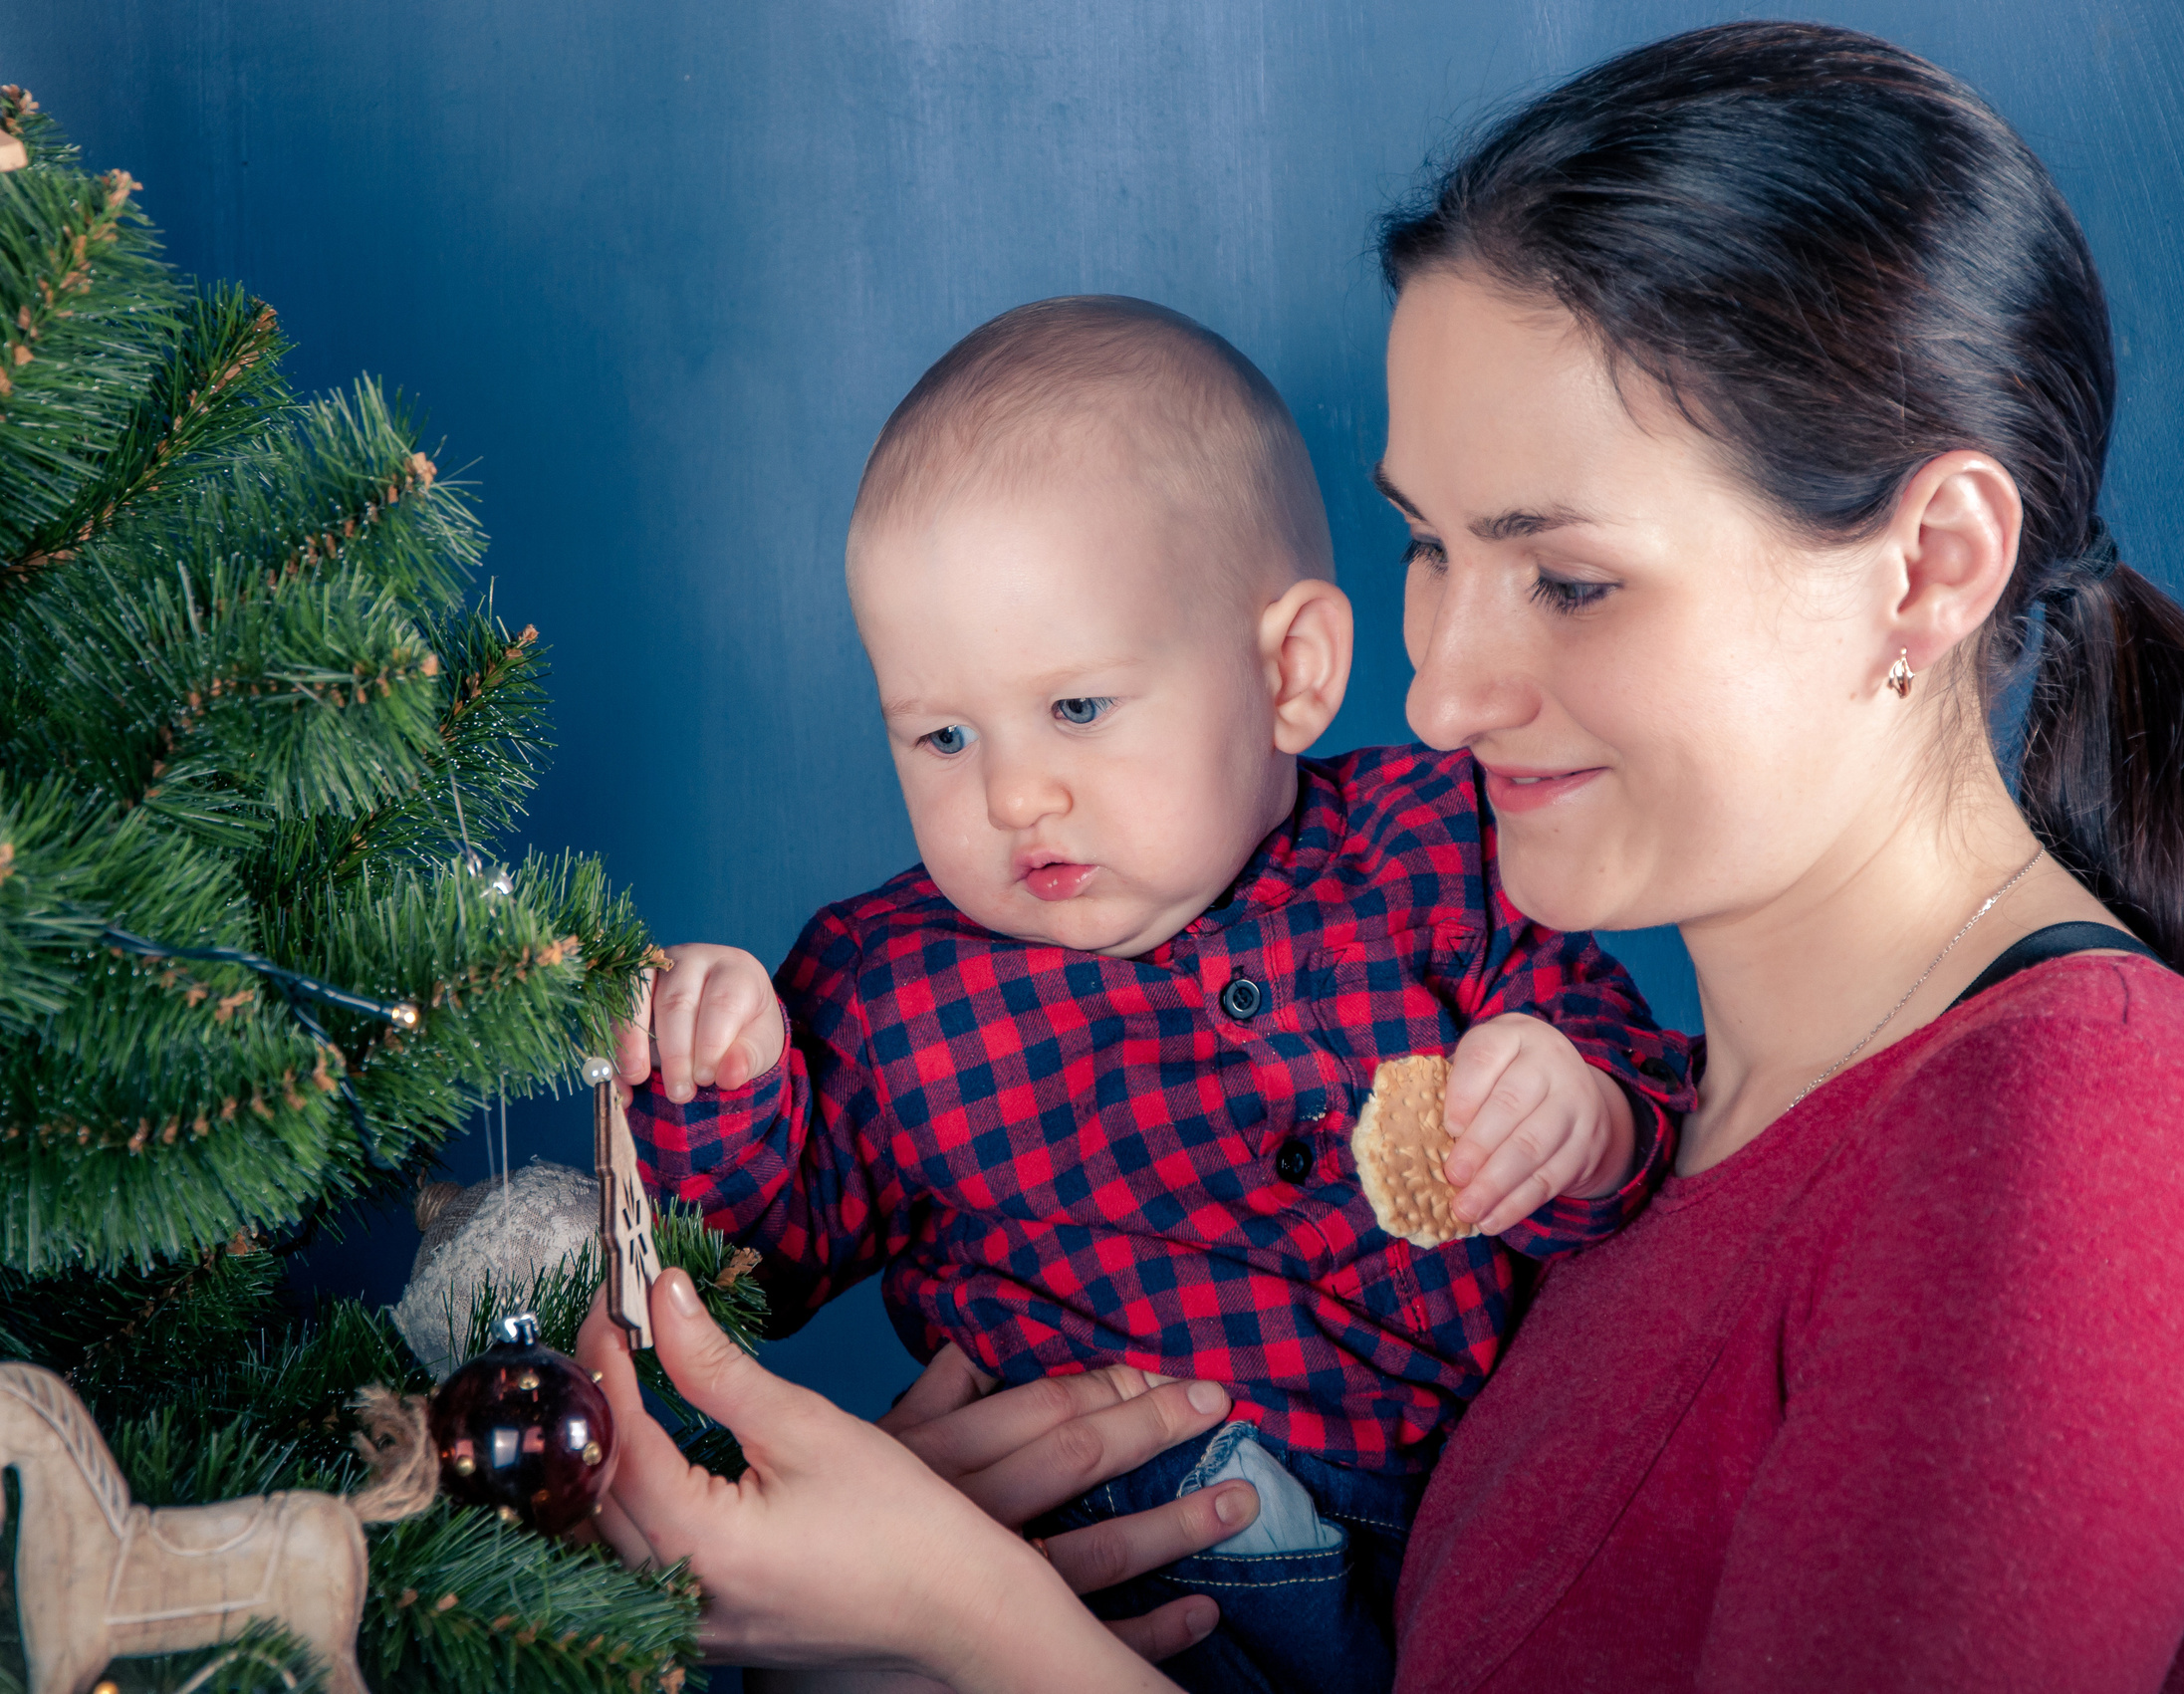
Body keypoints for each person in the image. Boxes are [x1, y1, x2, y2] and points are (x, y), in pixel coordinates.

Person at [578, 20, 2184, 1692]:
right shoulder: (1638, 1153)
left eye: (1566, 576)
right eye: (1427, 547)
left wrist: (973, 1626)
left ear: (1930, 565)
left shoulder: (2081, 1149)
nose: (1433, 698)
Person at [608, 294, 1693, 1692]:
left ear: (1288, 672)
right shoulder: (886, 983)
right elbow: (746, 1252)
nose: (1012, 792)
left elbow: (1650, 1088)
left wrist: (1578, 1102)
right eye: (942, 734)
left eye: (1077, 709)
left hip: (1452, 1533)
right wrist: (724, 1072)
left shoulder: (1438, 849)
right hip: (1109, 1555)